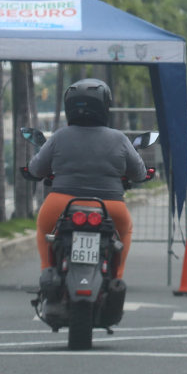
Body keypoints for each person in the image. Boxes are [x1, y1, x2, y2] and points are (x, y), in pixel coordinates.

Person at [29, 79, 148, 277]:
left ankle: (46, 273)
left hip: (60, 203)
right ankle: (117, 275)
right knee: (125, 230)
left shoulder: (59, 136)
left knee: (43, 228)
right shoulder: (119, 138)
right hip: (110, 206)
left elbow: (36, 169)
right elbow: (139, 173)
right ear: (104, 107)